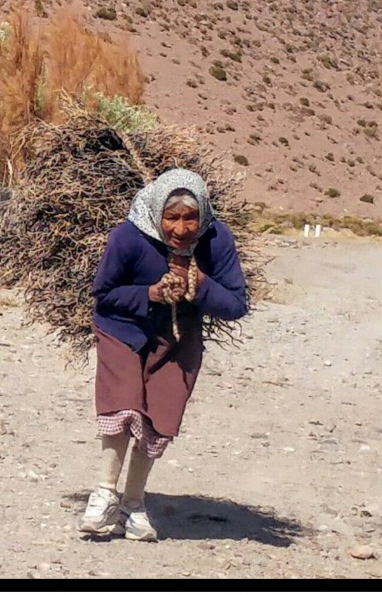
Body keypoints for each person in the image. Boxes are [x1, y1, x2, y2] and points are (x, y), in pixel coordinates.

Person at [78, 168, 249, 541]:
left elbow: (236, 304)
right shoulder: (128, 237)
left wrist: (200, 283)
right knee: (123, 405)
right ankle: (104, 494)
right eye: (172, 218)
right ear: (157, 214)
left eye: (191, 218)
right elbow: (103, 294)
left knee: (160, 416)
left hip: (178, 336)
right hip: (121, 327)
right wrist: (151, 294)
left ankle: (133, 505)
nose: (183, 228)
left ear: (203, 215)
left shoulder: (217, 240)